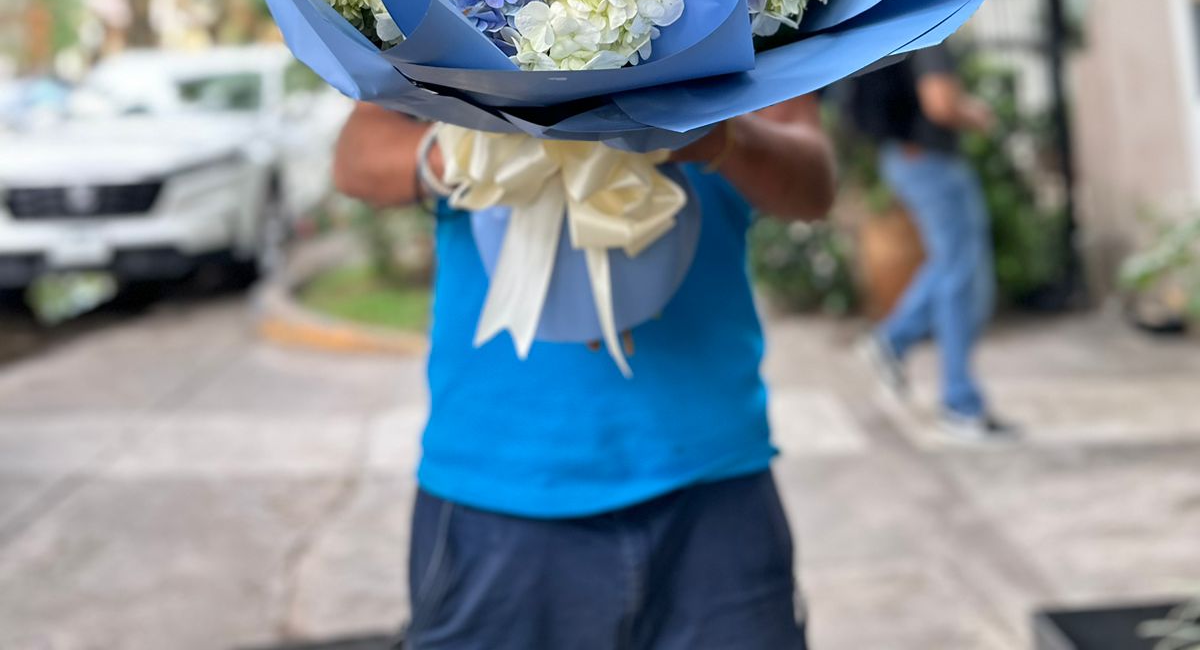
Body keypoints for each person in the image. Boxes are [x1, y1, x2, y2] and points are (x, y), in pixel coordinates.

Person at [333, 95, 835, 649]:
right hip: (498, 483)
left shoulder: (749, 10)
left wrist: (722, 138)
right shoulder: (434, 15)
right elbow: (358, 159)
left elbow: (813, 183)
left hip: (711, 480)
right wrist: (486, 146)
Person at [846, 45, 1014, 442]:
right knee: (961, 276)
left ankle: (893, 340)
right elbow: (940, 103)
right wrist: (979, 114)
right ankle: (959, 403)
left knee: (952, 266)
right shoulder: (933, 33)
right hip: (930, 161)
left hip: (907, 157)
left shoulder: (906, 28)